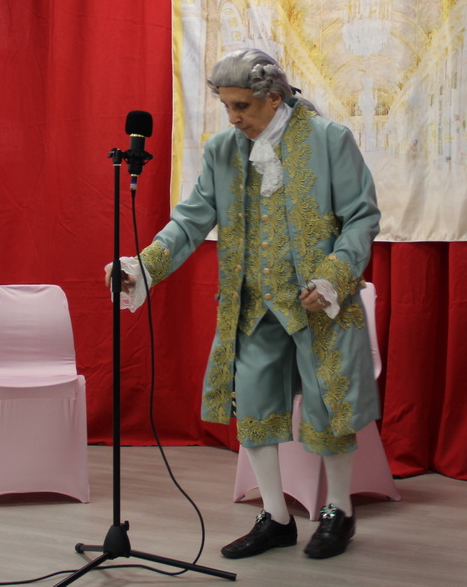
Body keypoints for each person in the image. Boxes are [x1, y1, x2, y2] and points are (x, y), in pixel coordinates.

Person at [108, 48, 381, 560]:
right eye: (227, 107)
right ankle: (276, 517)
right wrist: (144, 266)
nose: (233, 118)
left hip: (319, 302)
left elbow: (361, 217)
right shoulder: (223, 151)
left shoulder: (330, 140)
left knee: (328, 407)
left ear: (274, 98)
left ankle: (339, 511)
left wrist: (332, 276)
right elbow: (191, 219)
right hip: (253, 304)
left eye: (242, 107)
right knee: (254, 407)